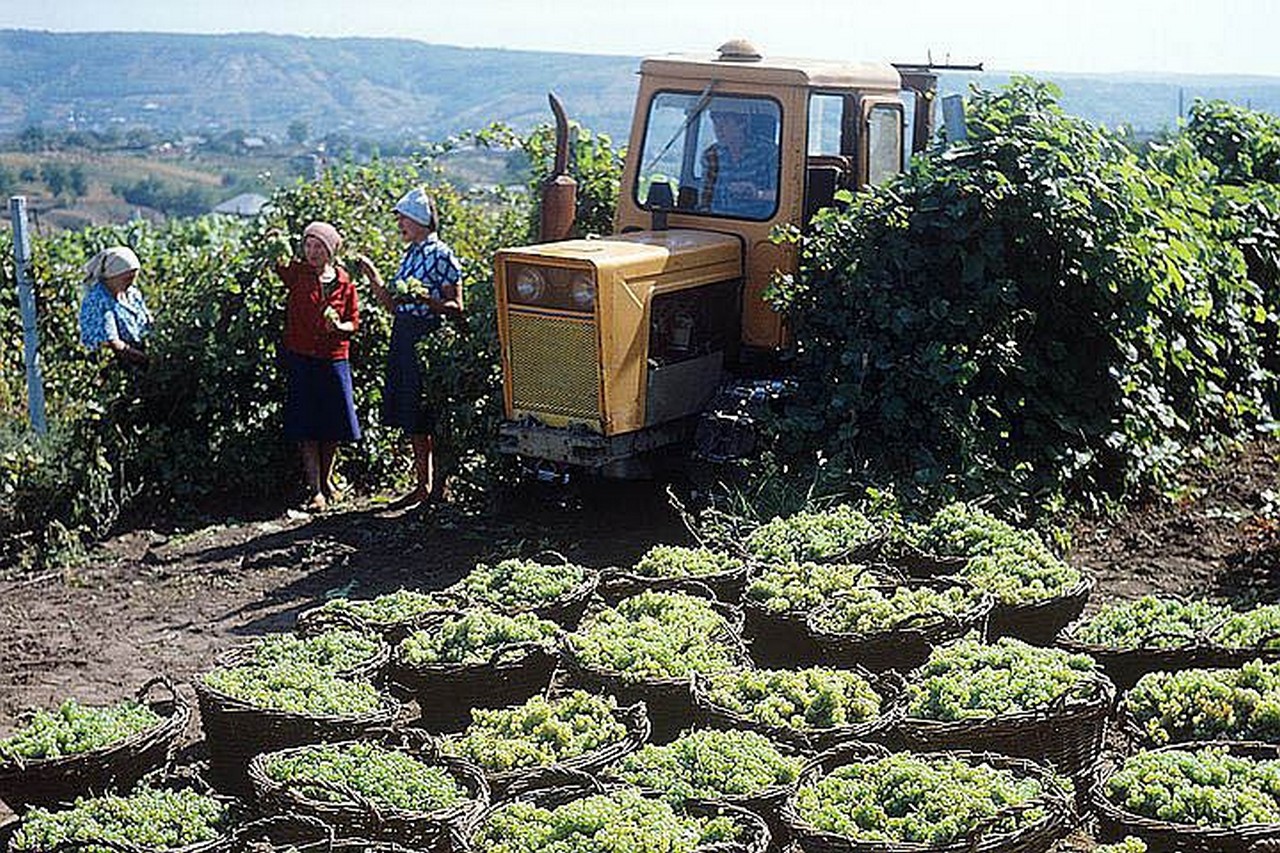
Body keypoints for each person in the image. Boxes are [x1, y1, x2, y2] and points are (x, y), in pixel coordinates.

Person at [354, 187, 463, 509]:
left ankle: (439, 485)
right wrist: (374, 278)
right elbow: (394, 306)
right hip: (405, 335)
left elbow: (456, 305)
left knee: (430, 411)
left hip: (427, 336)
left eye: (403, 218)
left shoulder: (440, 254)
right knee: (414, 413)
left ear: (418, 220)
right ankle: (422, 485)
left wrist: (427, 301)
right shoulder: (412, 255)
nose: (399, 224)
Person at [276, 221, 361, 512]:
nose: (312, 252)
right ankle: (315, 490)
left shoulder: (344, 281)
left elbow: (354, 322)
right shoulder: (297, 274)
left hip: (335, 358)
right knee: (307, 425)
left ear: (330, 251)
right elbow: (276, 261)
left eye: (319, 247)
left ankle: (326, 482)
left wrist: (338, 326)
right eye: (308, 245)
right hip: (302, 357)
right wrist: (273, 240)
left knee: (332, 425)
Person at [699, 108, 779, 218]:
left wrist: (757, 194)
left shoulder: (768, 152)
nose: (719, 129)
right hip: (717, 223)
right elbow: (705, 199)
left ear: (742, 123)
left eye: (725, 123)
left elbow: (782, 195)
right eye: (716, 123)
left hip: (759, 223)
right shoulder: (711, 155)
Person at [78, 246, 151, 365]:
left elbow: (147, 321)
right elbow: (111, 344)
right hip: (114, 366)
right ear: (111, 276)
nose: (131, 283)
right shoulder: (98, 300)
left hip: (137, 356)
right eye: (127, 279)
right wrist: (146, 360)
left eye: (134, 278)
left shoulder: (132, 293)